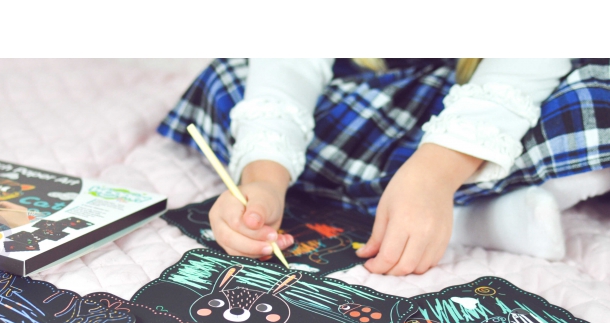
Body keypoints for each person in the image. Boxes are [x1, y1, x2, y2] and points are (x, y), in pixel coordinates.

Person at [158, 59, 610, 275]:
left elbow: (523, 69)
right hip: (374, 102)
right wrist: (264, 177)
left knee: (595, 97)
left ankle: (443, 206)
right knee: (230, 79)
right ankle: (463, 216)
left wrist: (433, 175)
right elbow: (288, 67)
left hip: (484, 114)